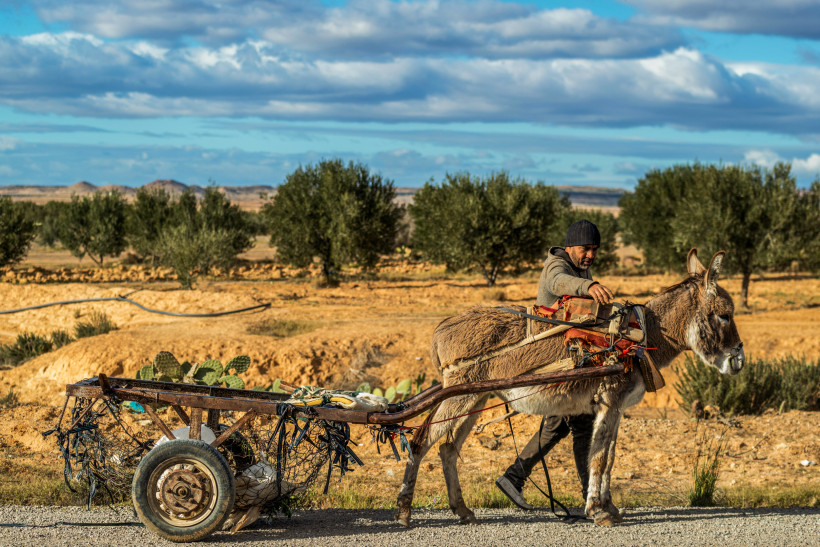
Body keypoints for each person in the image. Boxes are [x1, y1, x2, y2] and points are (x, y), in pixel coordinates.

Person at [495, 219, 614, 510]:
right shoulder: (557, 266)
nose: (591, 255)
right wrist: (589, 285)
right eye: (586, 249)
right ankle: (591, 497)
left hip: (569, 359)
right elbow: (557, 283)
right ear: (571, 246)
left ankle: (516, 477)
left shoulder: (580, 267)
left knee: (564, 424)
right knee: (580, 423)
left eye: (595, 250)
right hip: (552, 361)